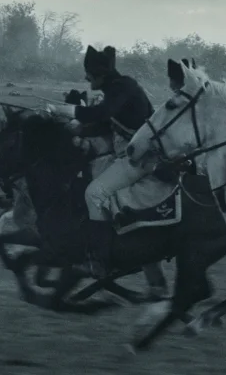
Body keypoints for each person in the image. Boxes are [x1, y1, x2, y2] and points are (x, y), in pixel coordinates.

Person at [44, 45, 154, 278]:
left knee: (93, 193)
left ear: (101, 75)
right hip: (128, 155)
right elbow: (106, 124)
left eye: (90, 75)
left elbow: (103, 113)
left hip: (139, 158)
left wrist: (67, 110)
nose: (87, 78)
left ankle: (100, 261)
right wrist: (78, 129)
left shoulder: (122, 87)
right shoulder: (118, 89)